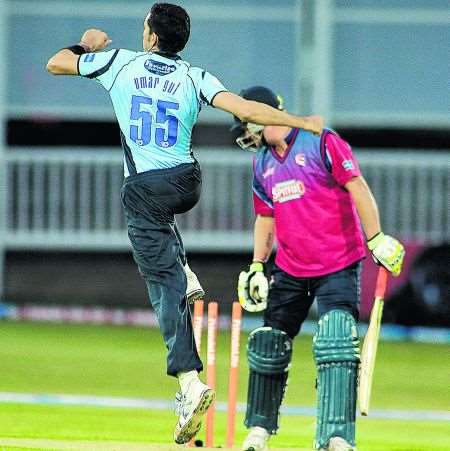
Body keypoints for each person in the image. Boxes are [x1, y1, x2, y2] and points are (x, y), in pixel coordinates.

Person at [46, 4, 324, 445]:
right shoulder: (195, 76)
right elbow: (248, 109)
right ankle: (182, 269)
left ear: (152, 37)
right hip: (187, 182)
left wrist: (89, 45)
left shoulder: (119, 63)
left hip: (144, 189)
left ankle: (189, 381)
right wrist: (299, 122)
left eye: (144, 27)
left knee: (162, 287)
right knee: (161, 238)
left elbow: (56, 63)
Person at [234, 86, 405, 451]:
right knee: (269, 343)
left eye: (247, 121)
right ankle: (259, 432)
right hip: (291, 268)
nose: (245, 132)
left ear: (262, 116)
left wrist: (375, 239)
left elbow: (357, 186)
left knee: (338, 343)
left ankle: (337, 436)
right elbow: (265, 218)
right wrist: (256, 266)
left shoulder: (321, 142)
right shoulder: (261, 162)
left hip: (337, 264)